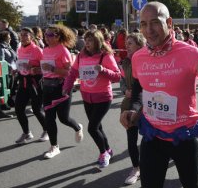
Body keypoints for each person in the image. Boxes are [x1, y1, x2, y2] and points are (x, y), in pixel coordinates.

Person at [120, 1, 198, 188]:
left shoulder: (191, 53)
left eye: (154, 22)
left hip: (183, 136)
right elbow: (140, 92)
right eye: (143, 24)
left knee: (191, 186)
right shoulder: (139, 58)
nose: (148, 29)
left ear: (169, 23)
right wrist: (133, 111)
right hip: (153, 136)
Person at [63, 30, 121, 168]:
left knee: (92, 128)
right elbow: (72, 74)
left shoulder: (105, 56)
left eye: (90, 40)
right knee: (98, 127)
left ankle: (103, 153)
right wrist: (66, 88)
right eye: (86, 40)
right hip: (87, 97)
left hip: (103, 97)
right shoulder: (80, 56)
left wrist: (103, 70)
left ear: (98, 41)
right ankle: (108, 149)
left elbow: (117, 76)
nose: (87, 43)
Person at [41, 24, 84, 159]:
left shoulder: (63, 50)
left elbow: (69, 73)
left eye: (50, 35)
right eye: (45, 34)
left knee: (63, 118)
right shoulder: (45, 50)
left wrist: (53, 69)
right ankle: (54, 146)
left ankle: (77, 127)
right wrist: (38, 69)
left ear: (58, 37)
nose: (46, 37)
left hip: (61, 87)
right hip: (47, 87)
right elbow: (44, 68)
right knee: (49, 118)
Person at [119, 32, 146, 184]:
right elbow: (122, 80)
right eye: (126, 43)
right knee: (131, 139)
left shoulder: (146, 60)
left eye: (130, 43)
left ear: (139, 45)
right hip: (130, 103)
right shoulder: (125, 62)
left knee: (151, 138)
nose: (126, 46)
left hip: (147, 104)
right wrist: (125, 91)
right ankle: (136, 168)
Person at [14, 27, 48, 144]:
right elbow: (20, 65)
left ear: (31, 37)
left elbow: (46, 68)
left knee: (37, 109)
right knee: (18, 109)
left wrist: (35, 69)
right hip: (23, 82)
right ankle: (27, 133)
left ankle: (47, 130)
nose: (22, 37)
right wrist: (16, 70)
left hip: (35, 83)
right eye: (21, 35)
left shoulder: (37, 50)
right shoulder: (19, 49)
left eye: (25, 35)